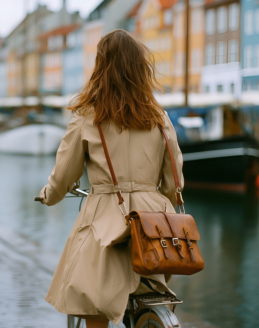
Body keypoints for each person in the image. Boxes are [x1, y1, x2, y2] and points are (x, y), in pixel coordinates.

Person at [37, 29, 184, 327]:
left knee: (93, 301)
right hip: (153, 222)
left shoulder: (88, 115)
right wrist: (164, 202)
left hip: (107, 217)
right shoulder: (158, 116)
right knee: (153, 291)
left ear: (101, 67)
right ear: (139, 67)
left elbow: (65, 173)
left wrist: (49, 195)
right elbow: (174, 179)